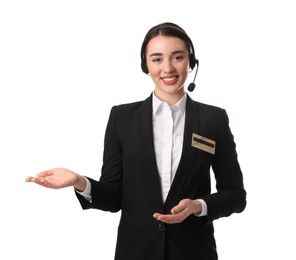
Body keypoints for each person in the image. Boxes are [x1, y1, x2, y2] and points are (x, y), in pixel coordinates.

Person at [26, 22, 247, 260]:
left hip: (194, 252)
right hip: (136, 252)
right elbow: (113, 197)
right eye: (157, 59)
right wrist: (79, 182)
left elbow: (236, 196)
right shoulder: (122, 118)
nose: (168, 68)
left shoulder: (214, 118)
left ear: (191, 62)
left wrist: (198, 206)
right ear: (146, 64)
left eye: (177, 57)